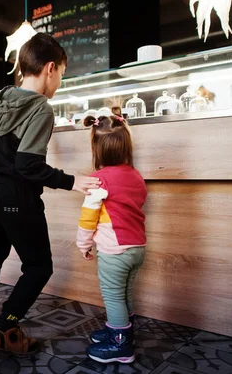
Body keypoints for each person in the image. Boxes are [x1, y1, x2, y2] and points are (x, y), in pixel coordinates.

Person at [0, 33, 101, 356]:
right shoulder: (41, 108)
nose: (59, 84)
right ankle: (6, 327)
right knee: (39, 267)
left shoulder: (3, 96)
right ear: (50, 69)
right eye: (62, 76)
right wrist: (73, 181)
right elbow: (27, 165)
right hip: (15, 194)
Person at [76, 111, 148, 364]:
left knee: (112, 295)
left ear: (96, 150)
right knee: (125, 292)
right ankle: (120, 330)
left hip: (114, 250)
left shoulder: (98, 181)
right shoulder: (136, 176)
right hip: (137, 247)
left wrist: (83, 244)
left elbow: (88, 218)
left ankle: (121, 346)